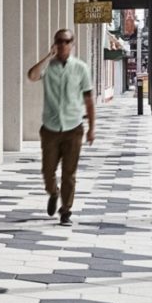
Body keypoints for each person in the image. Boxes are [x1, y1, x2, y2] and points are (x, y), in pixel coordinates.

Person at [26, 29, 95, 226]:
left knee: (69, 173)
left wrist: (92, 128)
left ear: (72, 43)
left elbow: (89, 100)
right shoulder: (48, 67)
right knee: (48, 171)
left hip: (74, 127)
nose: (63, 45)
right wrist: (48, 56)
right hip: (50, 128)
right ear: (55, 43)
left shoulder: (81, 68)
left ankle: (66, 210)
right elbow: (31, 75)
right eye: (59, 41)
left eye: (66, 41)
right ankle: (53, 192)